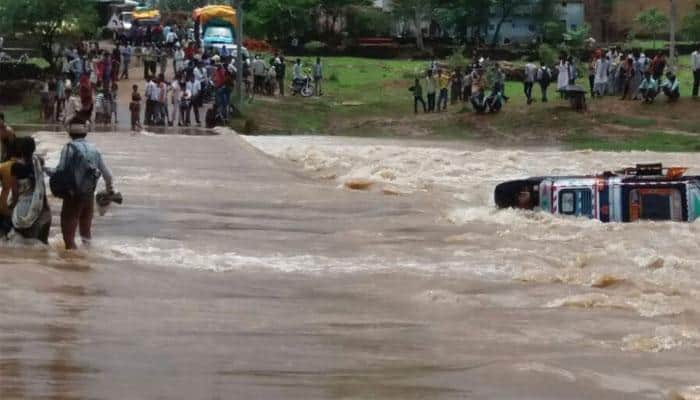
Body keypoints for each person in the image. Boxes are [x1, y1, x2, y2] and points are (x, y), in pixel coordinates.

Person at [52, 124, 114, 250]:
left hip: (73, 194)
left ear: (70, 134)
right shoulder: (94, 149)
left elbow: (61, 169)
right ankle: (87, 260)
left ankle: (72, 263)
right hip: (89, 194)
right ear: (85, 134)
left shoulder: (69, 148)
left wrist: (48, 172)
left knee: (68, 237)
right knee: (86, 235)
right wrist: (109, 190)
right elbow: (108, 174)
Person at [10, 137, 51, 244]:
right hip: (43, 210)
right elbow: (40, 184)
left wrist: (12, 209)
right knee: (43, 247)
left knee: (23, 248)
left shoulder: (15, 167)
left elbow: (15, 192)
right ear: (34, 148)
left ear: (20, 150)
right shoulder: (39, 161)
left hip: (25, 211)